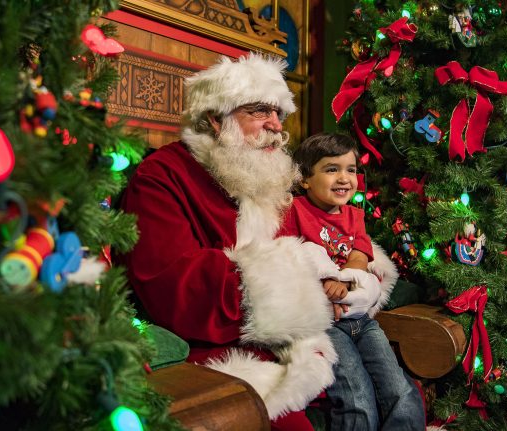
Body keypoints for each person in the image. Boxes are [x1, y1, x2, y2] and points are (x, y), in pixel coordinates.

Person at [118, 54, 399, 430]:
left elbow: (316, 240)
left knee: (391, 393)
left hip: (302, 342)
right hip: (227, 354)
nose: (276, 126)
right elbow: (173, 286)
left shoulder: (262, 176)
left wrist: (357, 275)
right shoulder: (163, 176)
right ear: (216, 119)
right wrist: (308, 288)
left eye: (279, 113)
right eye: (260, 111)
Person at [278, 132, 426, 431]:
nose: (344, 178)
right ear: (305, 179)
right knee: (355, 395)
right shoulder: (294, 211)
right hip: (328, 326)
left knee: (400, 389)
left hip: (363, 321)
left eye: (351, 169)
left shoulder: (354, 215)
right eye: (331, 169)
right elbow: (286, 258)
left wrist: (346, 280)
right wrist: (323, 287)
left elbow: (360, 253)